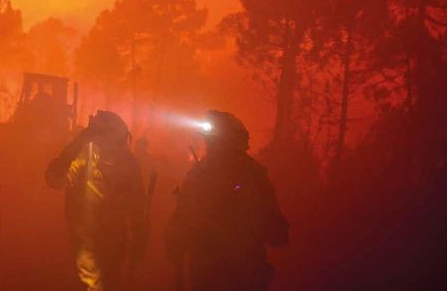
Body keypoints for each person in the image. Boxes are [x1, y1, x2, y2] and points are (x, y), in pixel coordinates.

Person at [165, 110, 288, 291]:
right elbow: (182, 215)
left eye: (215, 142)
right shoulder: (199, 174)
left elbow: (277, 233)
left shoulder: (252, 175)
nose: (210, 146)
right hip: (206, 273)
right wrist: (175, 239)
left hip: (241, 274)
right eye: (209, 141)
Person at [45, 110, 148, 291]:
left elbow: (138, 207)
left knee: (106, 281)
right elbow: (54, 178)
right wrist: (77, 144)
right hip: (86, 236)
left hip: (112, 237)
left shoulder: (128, 164)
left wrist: (139, 241)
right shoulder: (83, 156)